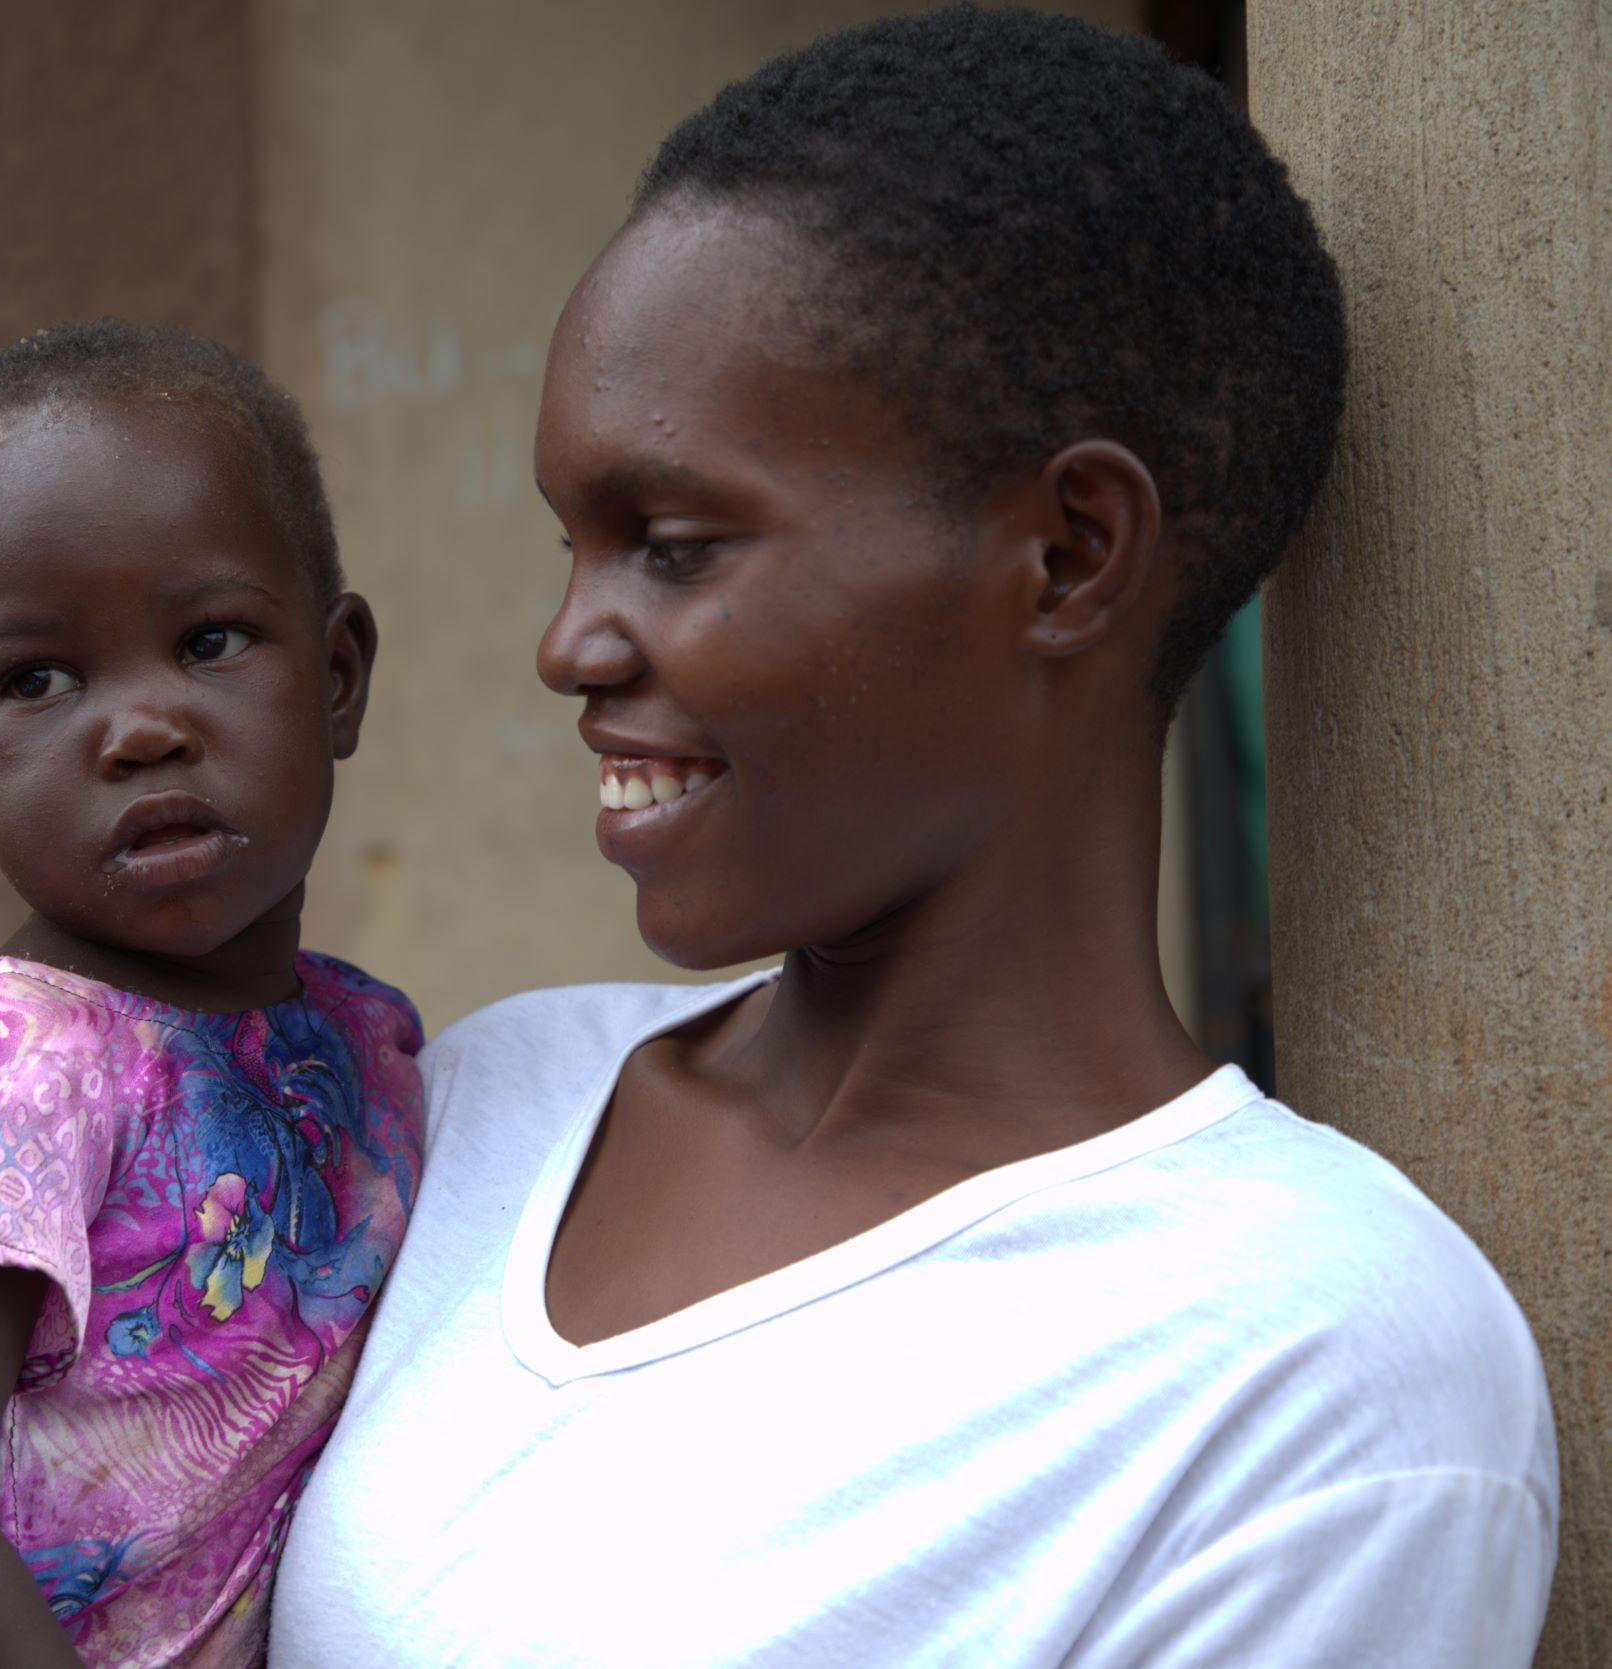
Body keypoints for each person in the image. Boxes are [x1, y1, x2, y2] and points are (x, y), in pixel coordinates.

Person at [270, 10, 1556, 1666]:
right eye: (575, 546)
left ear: (1069, 556)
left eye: (670, 544)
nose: (569, 644)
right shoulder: (476, 1112)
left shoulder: (1317, 1380)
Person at [0, 321, 426, 1669]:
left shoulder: (369, 1048)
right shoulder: (8, 1075)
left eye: (210, 639)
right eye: (37, 680)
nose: (139, 726)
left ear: (337, 676)